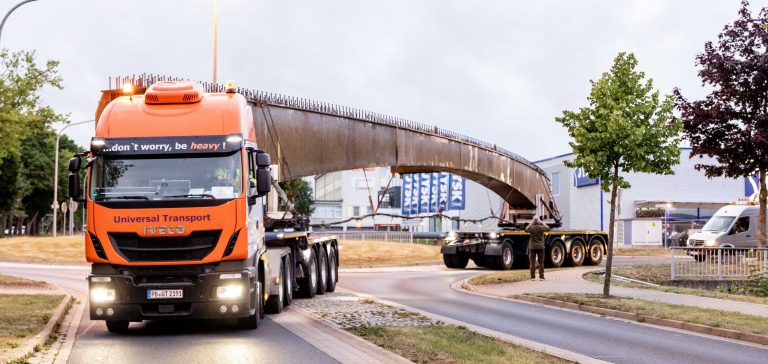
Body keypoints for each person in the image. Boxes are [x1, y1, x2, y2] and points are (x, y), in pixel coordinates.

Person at [525, 216, 550, 280]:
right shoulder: (541, 228)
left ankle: (532, 277)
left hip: (532, 247)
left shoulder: (531, 228)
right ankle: (541, 276)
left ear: (533, 221)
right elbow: (548, 228)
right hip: (541, 247)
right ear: (538, 221)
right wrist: (542, 223)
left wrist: (531, 223)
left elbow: (526, 229)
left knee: (532, 262)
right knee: (541, 262)